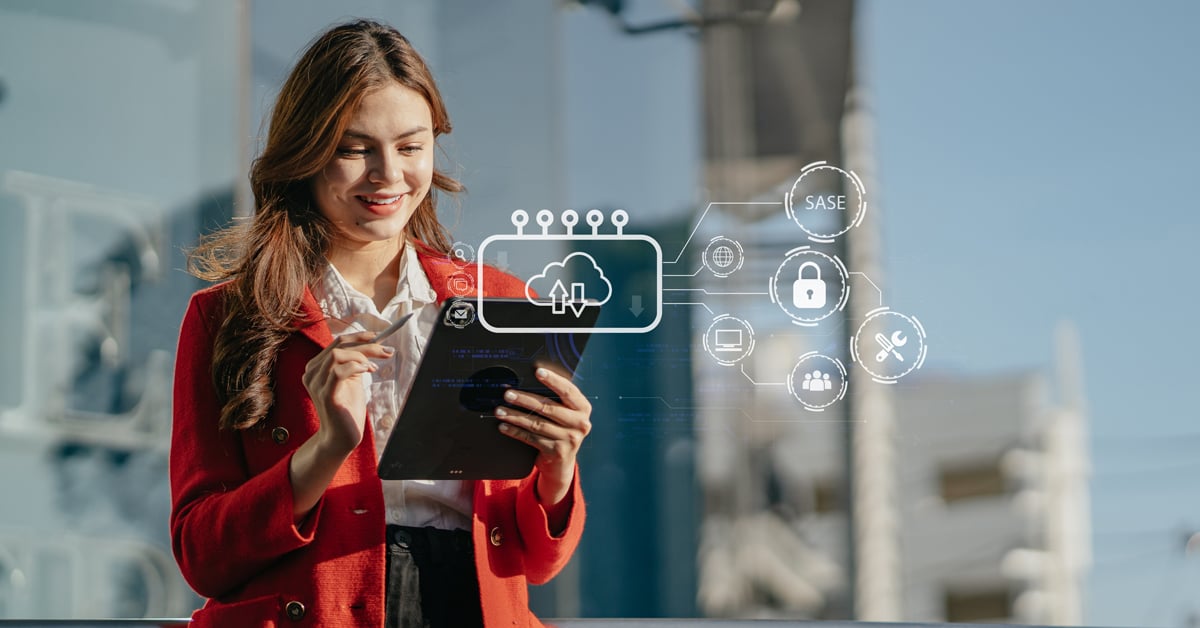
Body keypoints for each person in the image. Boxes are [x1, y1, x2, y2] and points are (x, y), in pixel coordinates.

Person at [170, 19, 591, 627]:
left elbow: (536, 562)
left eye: (411, 147)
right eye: (355, 148)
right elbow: (202, 557)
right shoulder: (228, 317)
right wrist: (325, 450)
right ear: (306, 154)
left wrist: (557, 468)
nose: (388, 174)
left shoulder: (499, 301)